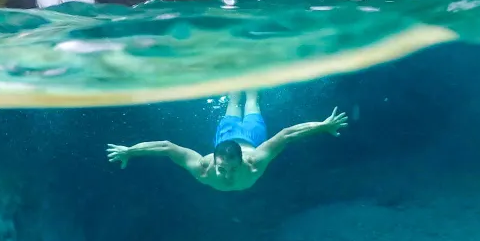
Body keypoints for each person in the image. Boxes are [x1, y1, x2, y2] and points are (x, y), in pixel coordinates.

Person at [105, 90, 348, 192]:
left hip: (251, 137)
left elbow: (286, 135)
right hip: (227, 135)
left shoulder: (255, 161)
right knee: (234, 101)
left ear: (243, 161)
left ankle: (251, 76)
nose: (228, 175)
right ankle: (236, 73)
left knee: (252, 100)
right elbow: (167, 147)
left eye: (233, 168)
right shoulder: (203, 167)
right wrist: (130, 151)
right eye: (223, 168)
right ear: (214, 160)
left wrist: (323, 125)